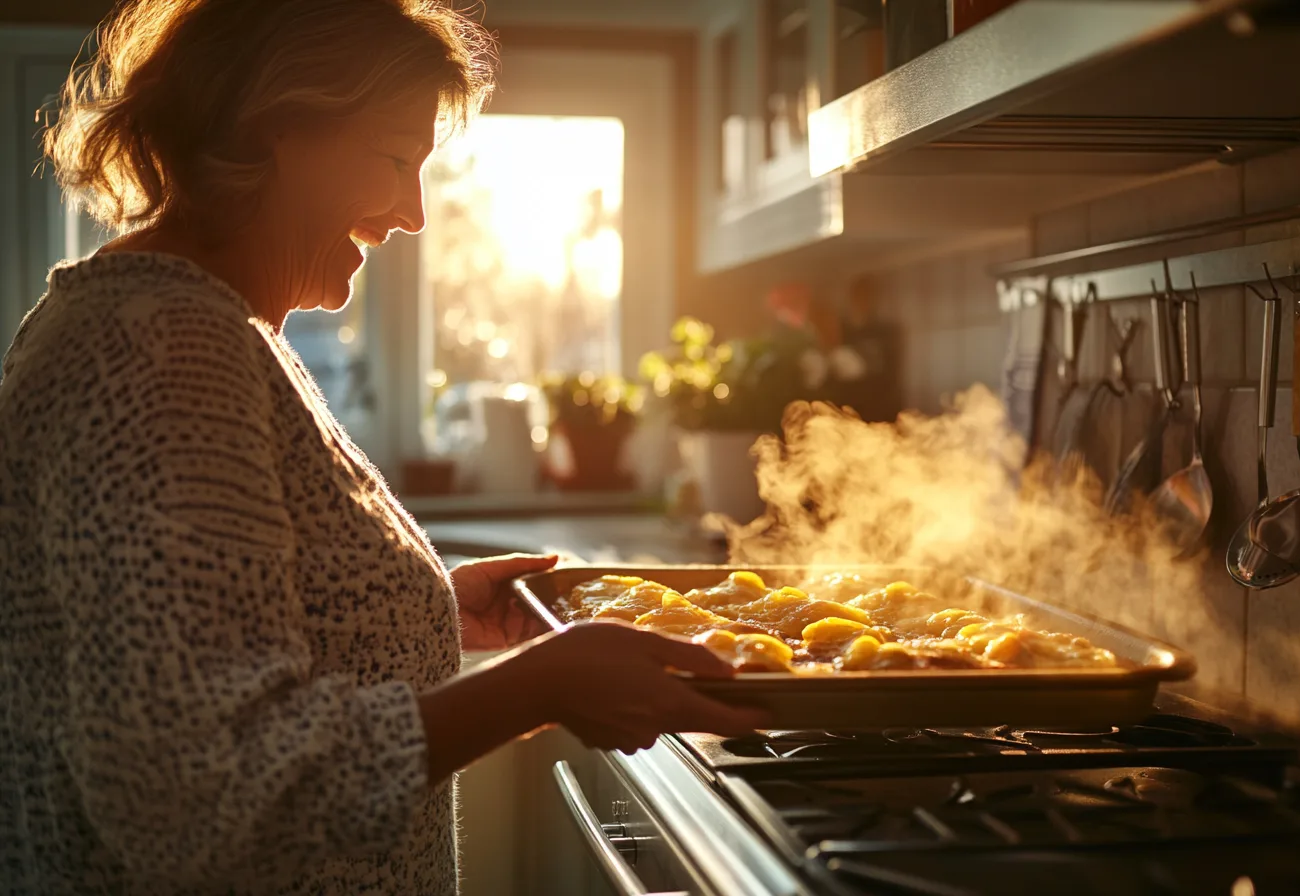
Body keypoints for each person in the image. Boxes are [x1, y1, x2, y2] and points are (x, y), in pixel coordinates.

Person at [0, 1, 764, 894]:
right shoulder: (164, 347)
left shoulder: (160, 324)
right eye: (397, 160)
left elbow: (190, 631)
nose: (412, 213)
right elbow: (197, 797)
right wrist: (540, 687)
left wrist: (420, 611)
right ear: (280, 129)